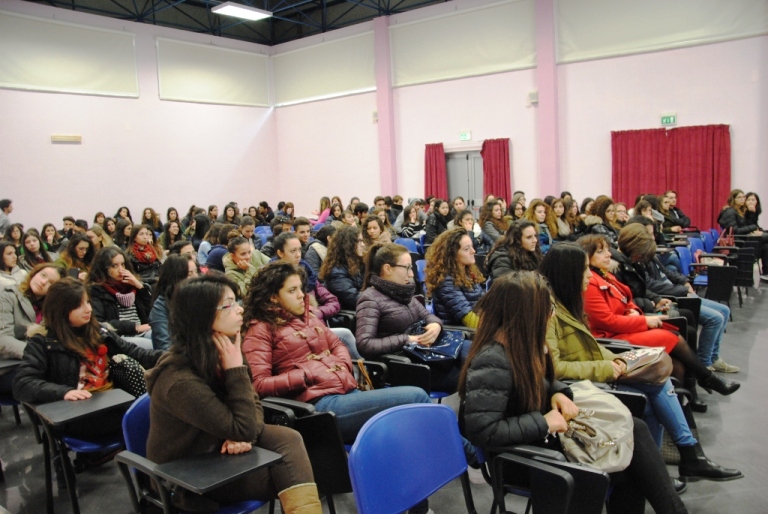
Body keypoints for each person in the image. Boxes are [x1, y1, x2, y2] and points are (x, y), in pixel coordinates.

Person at [460, 271, 689, 514]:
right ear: (527, 314)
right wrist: (543, 422)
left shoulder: (522, 345)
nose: (551, 315)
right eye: (547, 309)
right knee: (631, 462)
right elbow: (482, 431)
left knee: (634, 437)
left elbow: (544, 382)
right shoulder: (493, 360)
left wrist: (558, 393)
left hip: (541, 442)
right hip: (521, 459)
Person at [540, 243, 743, 483]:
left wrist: (616, 359)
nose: (589, 275)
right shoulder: (549, 311)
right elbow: (554, 367)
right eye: (584, 269)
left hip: (596, 367)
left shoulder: (569, 301)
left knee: (661, 378)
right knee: (655, 389)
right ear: (568, 274)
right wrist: (607, 366)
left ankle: (675, 462)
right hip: (576, 384)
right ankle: (676, 463)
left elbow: (591, 344)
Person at [144, 273, 322, 513]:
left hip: (218, 449)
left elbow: (253, 403)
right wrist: (235, 373)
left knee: (289, 439)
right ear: (202, 315)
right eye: (228, 305)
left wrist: (244, 436)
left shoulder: (226, 351)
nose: (240, 310)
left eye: (236, 302)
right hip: (187, 477)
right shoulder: (179, 380)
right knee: (291, 472)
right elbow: (244, 425)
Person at [242, 262, 433, 445]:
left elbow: (337, 344)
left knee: (402, 430)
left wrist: (341, 362)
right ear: (273, 297)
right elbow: (257, 384)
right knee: (417, 397)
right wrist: (305, 375)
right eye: (292, 291)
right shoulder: (260, 329)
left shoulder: (307, 317)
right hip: (318, 407)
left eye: (300, 288)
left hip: (346, 391)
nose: (301, 295)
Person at [579, 235, 739, 397]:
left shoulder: (605, 275)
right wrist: (643, 320)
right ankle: (707, 378)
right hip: (611, 336)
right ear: (586, 255)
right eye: (601, 251)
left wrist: (634, 311)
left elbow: (628, 298)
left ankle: (689, 395)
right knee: (674, 337)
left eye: (607, 249)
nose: (609, 254)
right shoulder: (591, 282)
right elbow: (606, 321)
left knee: (677, 360)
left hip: (625, 327)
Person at [12, 277, 161, 451]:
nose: (88, 309)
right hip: (79, 413)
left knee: (155, 410)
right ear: (60, 309)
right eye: (79, 305)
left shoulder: (98, 331)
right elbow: (22, 383)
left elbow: (137, 353)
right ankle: (148, 463)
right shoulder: (43, 341)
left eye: (88, 302)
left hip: (112, 402)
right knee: (149, 417)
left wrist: (174, 356)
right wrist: (64, 392)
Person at [616, 224, 738, 375]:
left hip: (666, 294)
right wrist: (661, 298)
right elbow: (643, 289)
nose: (653, 237)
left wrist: (683, 282)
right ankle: (704, 364)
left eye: (653, 234)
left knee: (723, 311)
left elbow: (663, 274)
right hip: (664, 298)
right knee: (712, 319)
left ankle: (712, 359)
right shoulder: (628, 263)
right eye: (649, 234)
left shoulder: (641, 259)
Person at [356, 243, 471, 393]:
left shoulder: (403, 292)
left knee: (479, 354)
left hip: (424, 353)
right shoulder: (370, 299)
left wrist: (435, 325)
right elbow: (365, 344)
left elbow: (427, 316)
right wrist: (407, 339)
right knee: (473, 375)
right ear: (387, 269)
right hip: (406, 365)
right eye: (407, 268)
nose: (411, 274)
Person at [273, 232, 360, 359]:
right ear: (280, 253)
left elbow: (333, 301)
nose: (298, 255)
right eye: (293, 251)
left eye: (299, 250)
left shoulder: (307, 273)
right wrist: (307, 313)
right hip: (297, 332)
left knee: (342, 344)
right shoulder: (273, 280)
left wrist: (319, 312)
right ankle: (364, 368)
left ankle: (360, 368)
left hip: (318, 325)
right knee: (345, 337)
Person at [87, 247, 153, 348]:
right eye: (114, 266)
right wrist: (134, 327)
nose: (121, 270)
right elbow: (99, 322)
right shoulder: (96, 290)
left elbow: (151, 311)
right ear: (103, 268)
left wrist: (140, 287)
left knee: (166, 338)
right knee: (152, 345)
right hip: (118, 337)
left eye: (123, 264)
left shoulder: (132, 285)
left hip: (142, 330)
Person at [0, 263, 64, 359]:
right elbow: (3, 339)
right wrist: (36, 353)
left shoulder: (52, 308)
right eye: (43, 275)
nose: (43, 282)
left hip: (38, 360)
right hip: (12, 360)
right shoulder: (8, 296)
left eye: (51, 283)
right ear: (34, 273)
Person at [425, 228, 485, 328]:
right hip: (461, 332)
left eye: (472, 247)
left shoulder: (468, 272)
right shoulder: (445, 280)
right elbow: (469, 320)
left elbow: (483, 303)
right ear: (452, 254)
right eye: (467, 249)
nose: (473, 251)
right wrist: (493, 329)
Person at [150, 254, 198, 351]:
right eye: (190, 274)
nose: (196, 277)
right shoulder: (160, 307)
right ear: (176, 278)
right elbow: (164, 347)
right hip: (178, 357)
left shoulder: (201, 298)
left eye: (196, 272)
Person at [718, 189, 768, 279]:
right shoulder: (730, 212)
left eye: (743, 197)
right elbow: (735, 231)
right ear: (733, 199)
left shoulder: (739, 211)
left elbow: (748, 225)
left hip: (744, 239)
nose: (742, 199)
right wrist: (753, 228)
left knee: (766, 246)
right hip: (738, 242)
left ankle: (766, 273)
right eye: (739, 197)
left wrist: (752, 215)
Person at [320, 225, 365, 310]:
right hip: (350, 314)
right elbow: (355, 299)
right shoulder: (336, 273)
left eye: (362, 241)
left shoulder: (358, 264)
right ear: (347, 245)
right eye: (359, 241)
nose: (363, 245)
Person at [223, 233, 270, 297]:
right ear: (232, 255)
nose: (248, 256)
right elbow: (246, 293)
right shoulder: (230, 274)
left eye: (249, 252)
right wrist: (249, 269)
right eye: (243, 254)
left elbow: (274, 267)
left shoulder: (256, 254)